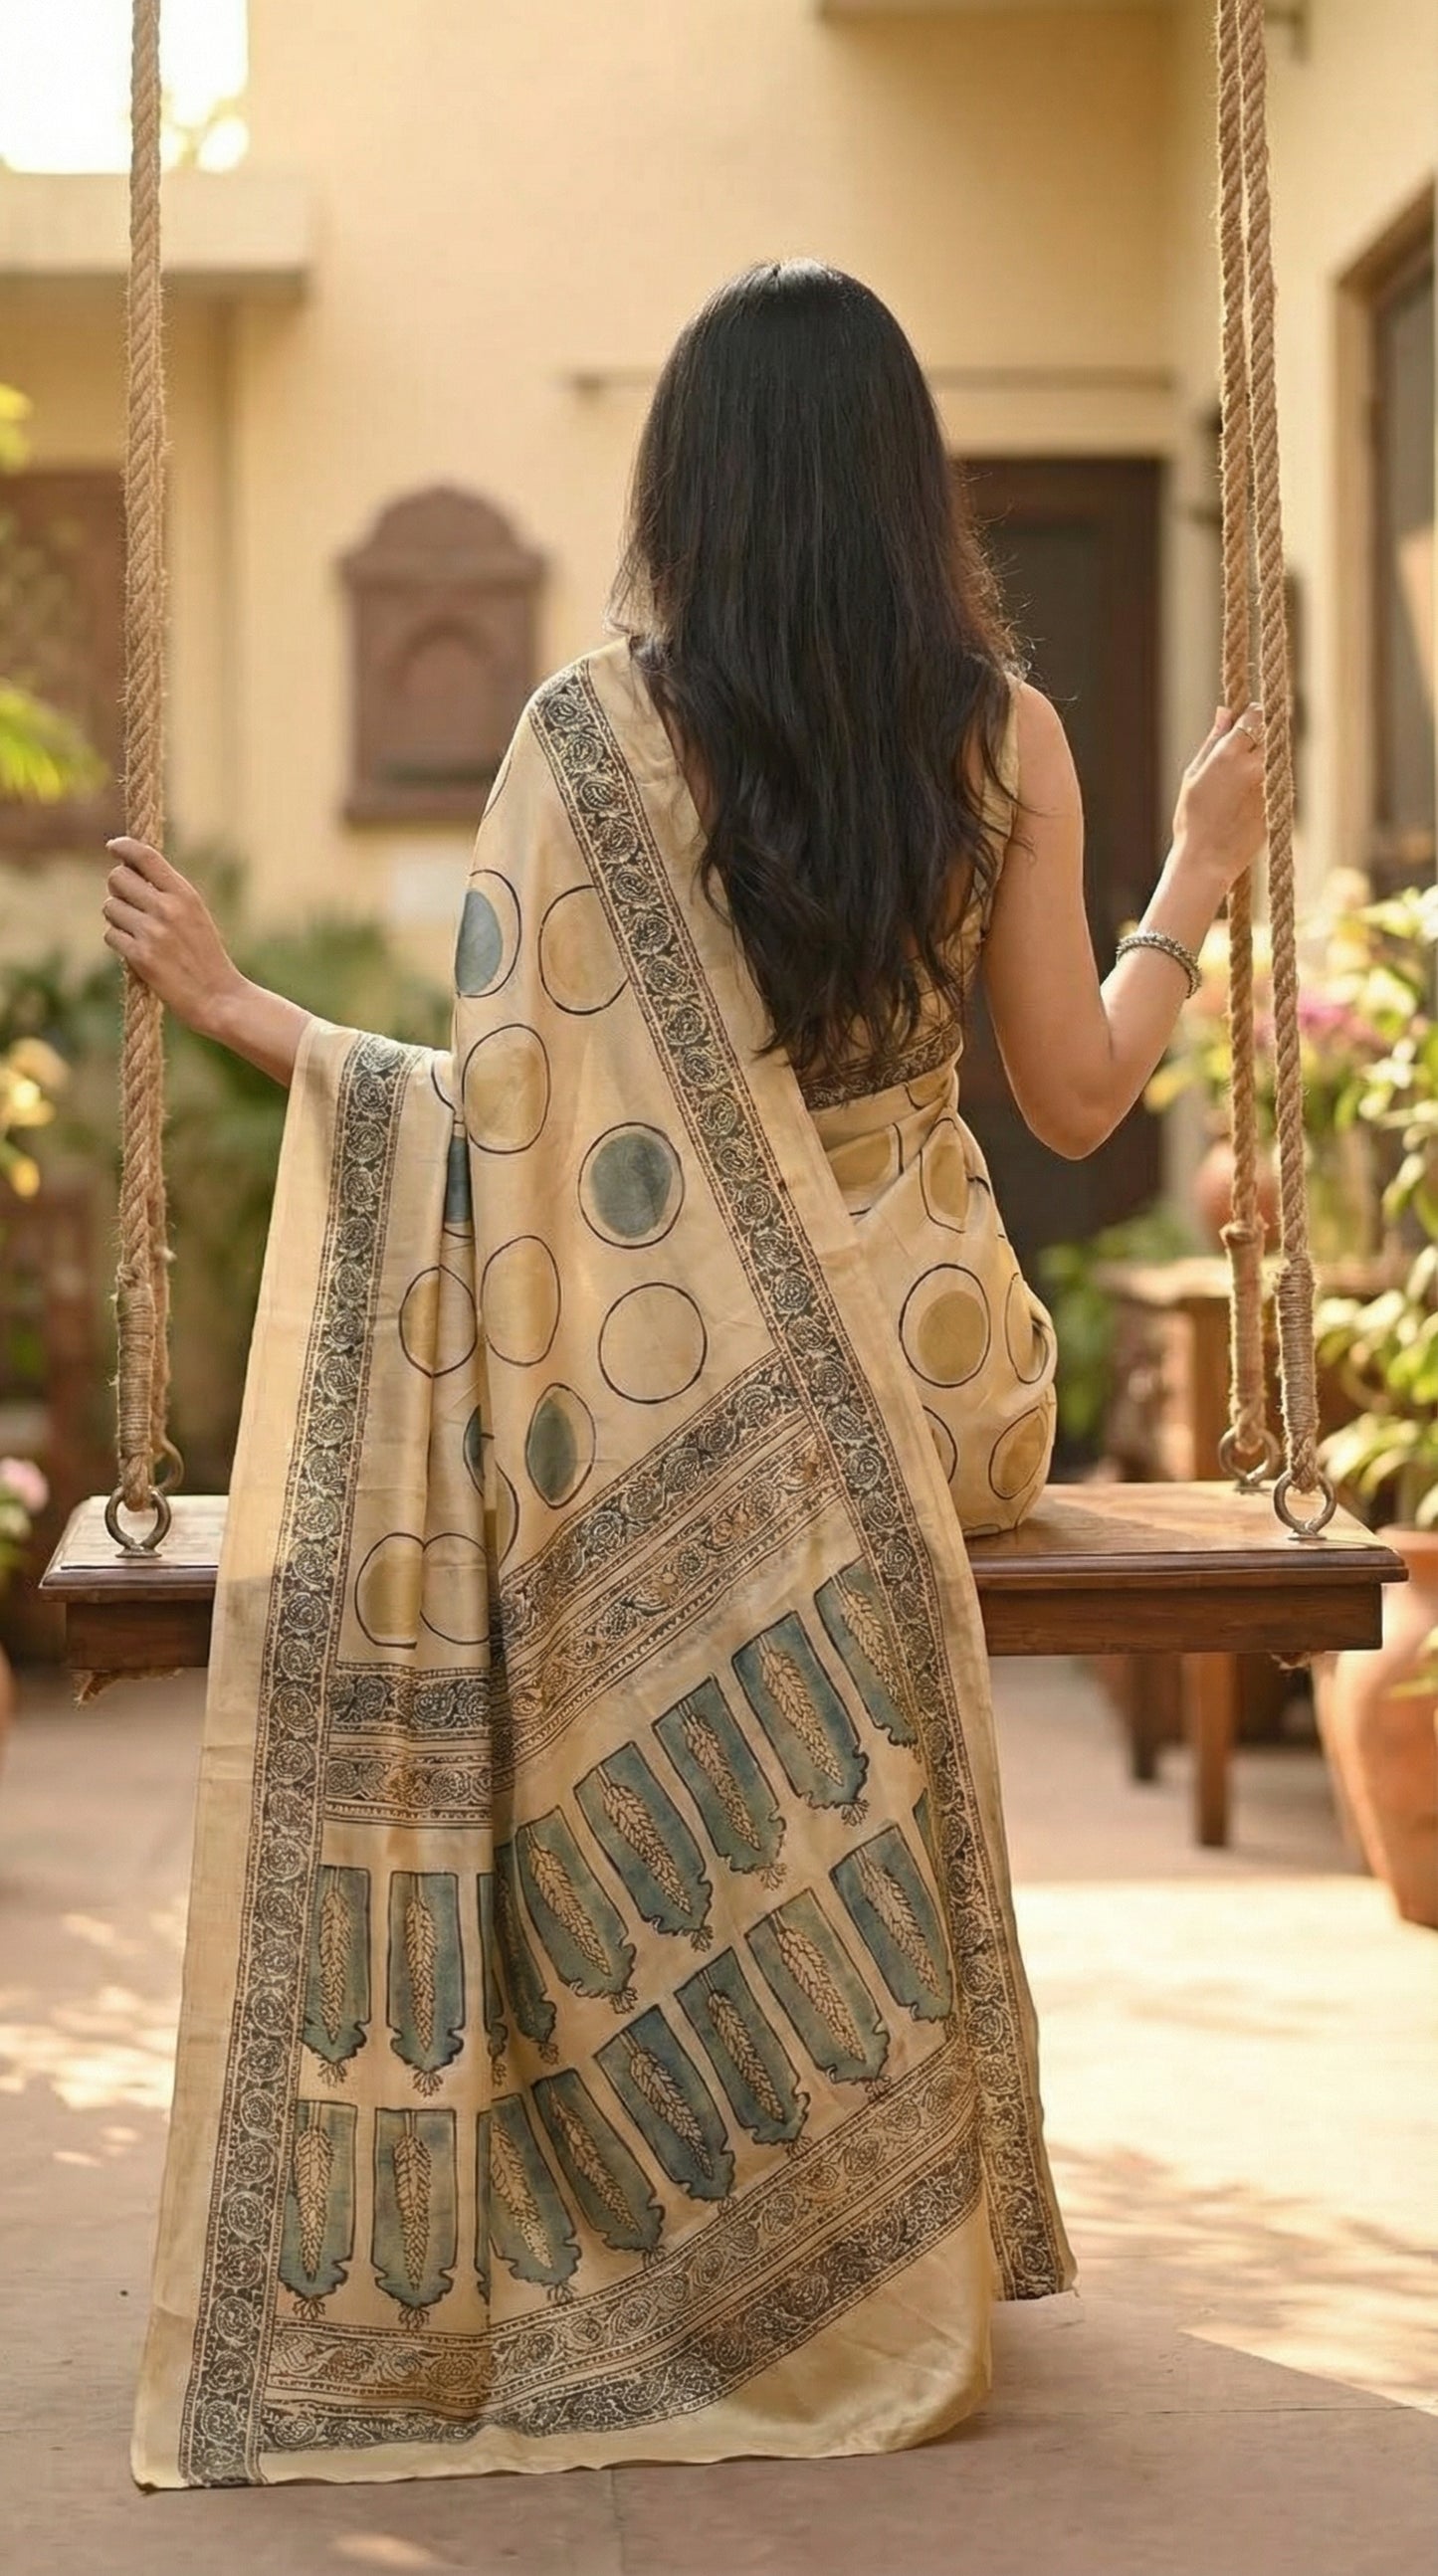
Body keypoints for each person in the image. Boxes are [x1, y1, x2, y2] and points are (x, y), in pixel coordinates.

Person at [105, 262, 1265, 2490]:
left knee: (613, 1402)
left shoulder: (586, 741)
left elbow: (518, 1123)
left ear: (689, 490)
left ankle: (663, 2184)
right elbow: (1078, 1091)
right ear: (906, 483)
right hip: (938, 1396)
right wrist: (1195, 883)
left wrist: (256, 1013)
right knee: (860, 1415)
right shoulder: (1004, 730)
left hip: (661, 1401)